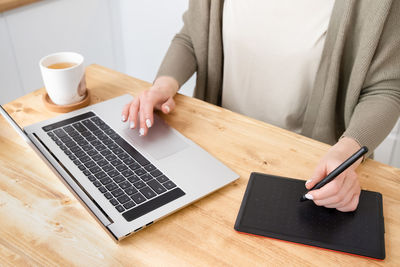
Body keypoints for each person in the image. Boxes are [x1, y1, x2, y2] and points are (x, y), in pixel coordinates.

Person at [121, 0, 400, 212]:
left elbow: (387, 87)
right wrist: (163, 87)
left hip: (307, 172)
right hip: (213, 151)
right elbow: (192, 37)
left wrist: (347, 151)